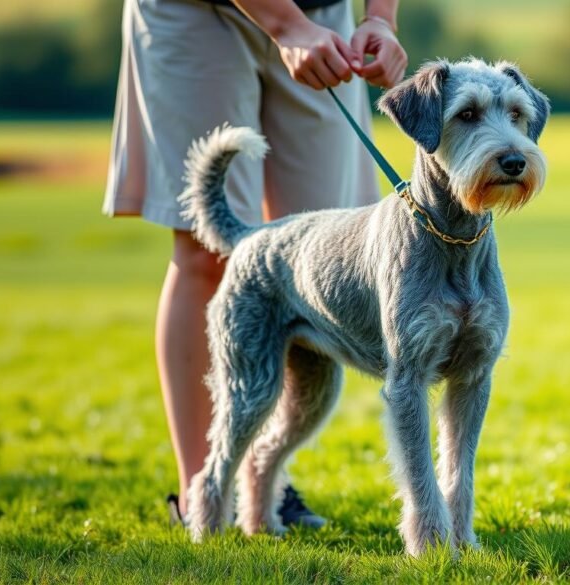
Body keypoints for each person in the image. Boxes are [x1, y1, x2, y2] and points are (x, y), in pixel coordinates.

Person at [102, 0, 407, 526]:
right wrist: (285, 25)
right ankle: (203, 493)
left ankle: (262, 484)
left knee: (316, 254)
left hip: (323, 17)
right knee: (209, 252)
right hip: (196, 12)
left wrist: (379, 18)